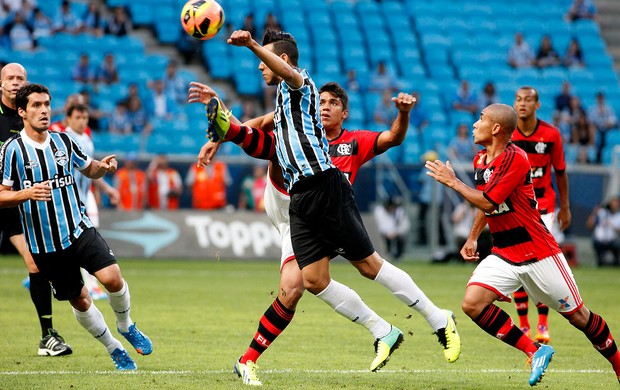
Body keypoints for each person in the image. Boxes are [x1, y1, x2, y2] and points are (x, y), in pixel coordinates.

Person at [191, 74, 460, 386]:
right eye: (321, 102)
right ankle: (389, 329)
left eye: (333, 103)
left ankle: (412, 324)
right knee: (311, 282)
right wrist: (218, 136)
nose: (325, 107)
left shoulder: (354, 141)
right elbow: (257, 131)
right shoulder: (298, 134)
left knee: (325, 278)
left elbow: (393, 138)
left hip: (331, 212)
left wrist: (403, 113)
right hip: (296, 214)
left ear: (344, 113)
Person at [425, 103, 620, 386]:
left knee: (579, 317)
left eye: (481, 119)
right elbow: (486, 203)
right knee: (472, 304)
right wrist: (472, 236)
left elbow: (488, 201)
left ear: (496, 129)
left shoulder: (515, 158)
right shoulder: (481, 160)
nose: (474, 124)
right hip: (504, 253)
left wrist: (454, 182)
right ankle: (535, 349)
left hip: (539, 253)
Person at [0, 83, 152, 370]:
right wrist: (25, 193)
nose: (43, 110)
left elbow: (88, 168)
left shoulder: (64, 142)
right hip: (45, 245)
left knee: (113, 278)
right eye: (35, 105)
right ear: (21, 112)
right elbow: (1, 195)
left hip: (78, 228)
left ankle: (127, 325)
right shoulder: (12, 151)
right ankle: (114, 347)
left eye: (46, 104)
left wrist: (103, 168)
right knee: (80, 300)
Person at [0, 63, 72, 356]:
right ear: (0, 84)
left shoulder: (32, 116)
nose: (15, 82)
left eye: (21, 78)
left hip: (18, 201)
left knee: (35, 264)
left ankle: (47, 336)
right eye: (10, 78)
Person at [511, 86, 572, 345]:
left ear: (537, 105)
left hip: (544, 208)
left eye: (527, 100)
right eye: (518, 100)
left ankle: (543, 323)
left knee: (538, 265)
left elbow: (560, 172)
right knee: (515, 265)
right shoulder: (506, 133)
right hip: (515, 209)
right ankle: (524, 325)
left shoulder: (551, 135)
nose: (522, 104)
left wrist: (565, 207)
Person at [64, 103, 120, 300]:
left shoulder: (86, 139)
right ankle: (91, 284)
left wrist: (107, 189)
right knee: (84, 241)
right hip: (69, 199)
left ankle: (87, 282)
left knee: (85, 239)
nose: (81, 121)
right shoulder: (64, 139)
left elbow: (91, 169)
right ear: (68, 119)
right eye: (78, 117)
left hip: (84, 197)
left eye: (85, 118)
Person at [373, 196, 409, 262]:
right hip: (383, 233)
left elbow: (404, 226)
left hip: (395, 233)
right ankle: (386, 254)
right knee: (383, 238)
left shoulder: (399, 212)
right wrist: (387, 233)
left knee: (401, 237)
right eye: (391, 206)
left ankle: (398, 256)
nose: (392, 208)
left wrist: (395, 232)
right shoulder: (379, 211)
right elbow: (379, 225)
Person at [586, 197, 620, 266]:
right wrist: (595, 212)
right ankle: (600, 263)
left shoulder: (618, 216)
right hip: (600, 241)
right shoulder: (601, 213)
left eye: (615, 204)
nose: (613, 206)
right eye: (612, 204)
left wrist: (611, 225)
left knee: (617, 246)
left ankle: (616, 263)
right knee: (598, 249)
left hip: (612, 241)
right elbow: (589, 225)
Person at [588, 92, 617, 163]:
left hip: (606, 129)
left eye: (601, 98)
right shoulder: (592, 109)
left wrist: (606, 122)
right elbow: (590, 120)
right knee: (593, 130)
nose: (600, 100)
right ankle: (595, 154)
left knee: (604, 134)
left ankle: (600, 155)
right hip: (597, 129)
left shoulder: (609, 109)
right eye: (599, 98)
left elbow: (613, 120)